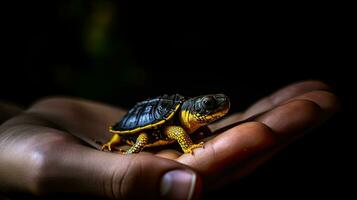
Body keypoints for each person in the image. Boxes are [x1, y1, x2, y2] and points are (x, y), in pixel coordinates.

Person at [0, 80, 339, 200]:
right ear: (192, 110)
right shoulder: (177, 125)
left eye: (217, 104)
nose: (218, 108)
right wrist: (187, 145)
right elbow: (176, 132)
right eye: (209, 106)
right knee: (141, 139)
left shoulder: (191, 120)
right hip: (135, 127)